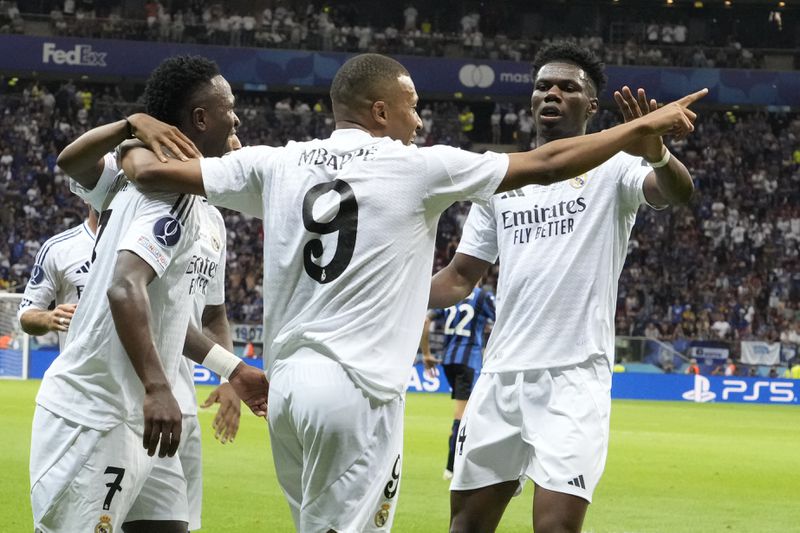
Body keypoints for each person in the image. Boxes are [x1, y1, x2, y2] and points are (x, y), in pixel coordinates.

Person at [121, 53, 704, 531]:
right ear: (381, 111)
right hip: (368, 388)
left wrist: (133, 127)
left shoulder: (280, 161)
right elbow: (528, 188)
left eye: (565, 87)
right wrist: (641, 126)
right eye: (413, 108)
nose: (420, 122)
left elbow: (146, 172)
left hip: (292, 389)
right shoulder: (419, 166)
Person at [427, 43, 703, 533]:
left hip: (574, 378)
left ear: (591, 106)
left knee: (555, 528)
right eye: (542, 86)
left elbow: (677, 193)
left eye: (567, 88)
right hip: (500, 375)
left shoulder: (615, 166)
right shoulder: (502, 178)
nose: (551, 93)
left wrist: (657, 151)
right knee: (466, 526)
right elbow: (460, 278)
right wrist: (384, 292)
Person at [29, 56, 268, 533]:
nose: (238, 122)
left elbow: (174, 319)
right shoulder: (159, 189)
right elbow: (124, 287)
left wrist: (234, 369)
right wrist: (159, 386)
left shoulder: (195, 205)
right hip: (97, 413)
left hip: (145, 414)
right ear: (201, 119)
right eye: (231, 110)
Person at [59, 122, 245, 532]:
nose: (237, 141)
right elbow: (73, 161)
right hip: (121, 394)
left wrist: (231, 374)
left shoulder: (213, 221)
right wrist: (130, 129)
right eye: (228, 126)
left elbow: (211, 315)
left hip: (179, 403)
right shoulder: (133, 186)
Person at [421, 283, 495, 480]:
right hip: (468, 361)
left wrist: (427, 354)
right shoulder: (482, 297)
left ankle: (461, 463)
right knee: (463, 415)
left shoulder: (450, 293)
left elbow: (425, 321)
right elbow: (501, 321)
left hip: (448, 361)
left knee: (469, 411)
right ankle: (452, 468)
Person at [17, 208, 97, 349]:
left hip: (130, 369)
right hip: (75, 370)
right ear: (86, 196)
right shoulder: (58, 249)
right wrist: (49, 318)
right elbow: (26, 314)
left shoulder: (140, 243)